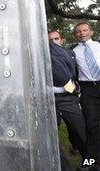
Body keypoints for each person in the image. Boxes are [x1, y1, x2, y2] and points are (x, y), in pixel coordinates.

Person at [48, 31, 87, 170]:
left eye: (56, 39)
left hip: (68, 99)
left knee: (81, 131)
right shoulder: (39, 56)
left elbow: (75, 76)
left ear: (62, 40)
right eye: (50, 39)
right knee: (51, 137)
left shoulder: (71, 54)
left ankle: (90, 163)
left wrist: (73, 90)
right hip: (48, 101)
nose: (53, 42)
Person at [72, 21, 100, 168]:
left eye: (85, 30)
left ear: (91, 32)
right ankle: (93, 160)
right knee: (91, 124)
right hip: (88, 90)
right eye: (78, 31)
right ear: (75, 35)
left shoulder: (99, 46)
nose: (82, 33)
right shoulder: (73, 52)